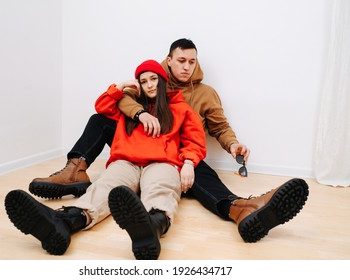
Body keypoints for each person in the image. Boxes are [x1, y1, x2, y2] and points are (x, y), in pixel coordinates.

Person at [28, 38, 309, 243]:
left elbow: (213, 130)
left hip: (173, 156)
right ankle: (73, 178)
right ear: (169, 62)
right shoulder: (142, 89)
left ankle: (236, 207)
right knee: (101, 132)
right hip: (132, 151)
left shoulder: (198, 98)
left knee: (189, 169)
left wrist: (230, 145)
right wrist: (137, 109)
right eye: (181, 61)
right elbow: (107, 106)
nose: (186, 67)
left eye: (192, 61)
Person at [5, 59, 207, 260]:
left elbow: (195, 142)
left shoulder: (181, 109)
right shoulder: (130, 107)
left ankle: (153, 226)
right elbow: (101, 107)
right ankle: (65, 221)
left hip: (161, 162)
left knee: (161, 187)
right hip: (126, 161)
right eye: (143, 81)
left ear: (162, 81)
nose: (150, 85)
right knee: (105, 186)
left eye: (153, 79)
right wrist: (120, 87)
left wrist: (188, 163)